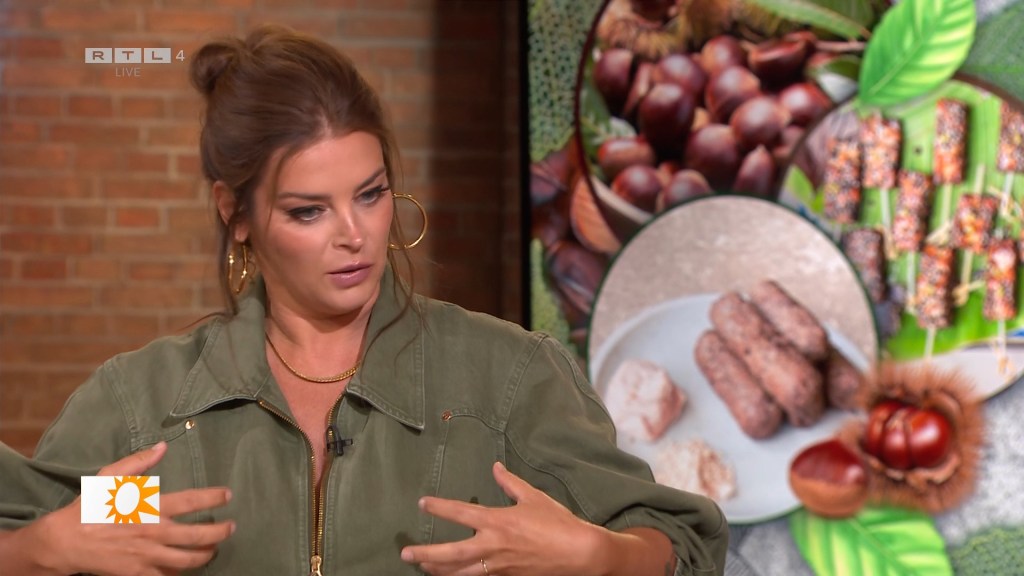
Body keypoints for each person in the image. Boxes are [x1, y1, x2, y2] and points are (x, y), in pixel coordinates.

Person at [0, 25, 727, 576]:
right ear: (236, 212)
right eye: (308, 210)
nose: (355, 235)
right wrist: (36, 551)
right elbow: (55, 526)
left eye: (371, 194)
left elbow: (682, 542)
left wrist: (601, 557)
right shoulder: (151, 412)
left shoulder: (504, 382)